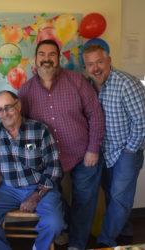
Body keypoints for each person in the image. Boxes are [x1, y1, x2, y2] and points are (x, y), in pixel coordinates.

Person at [18, 39, 105, 250]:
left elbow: (95, 114)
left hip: (83, 153)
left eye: (51, 54)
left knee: (84, 201)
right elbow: (23, 129)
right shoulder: (26, 90)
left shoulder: (77, 81)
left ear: (58, 58)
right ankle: (64, 226)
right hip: (48, 161)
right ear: (35, 59)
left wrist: (93, 149)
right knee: (54, 200)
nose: (46, 59)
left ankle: (77, 244)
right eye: (42, 54)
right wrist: (33, 157)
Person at [0, 90, 65, 250]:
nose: (5, 113)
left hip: (41, 187)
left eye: (8, 107)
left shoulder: (40, 130)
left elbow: (53, 168)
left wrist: (36, 196)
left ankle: (39, 247)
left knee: (54, 223)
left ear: (19, 105)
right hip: (9, 189)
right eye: (0, 109)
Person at [83, 43, 145, 247]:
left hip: (126, 150)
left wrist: (130, 150)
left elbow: (142, 121)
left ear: (109, 61)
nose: (96, 68)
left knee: (119, 198)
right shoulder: (88, 85)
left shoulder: (127, 84)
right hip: (103, 152)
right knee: (112, 196)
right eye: (90, 64)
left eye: (100, 62)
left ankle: (105, 241)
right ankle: (125, 232)